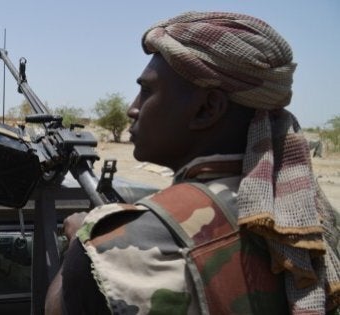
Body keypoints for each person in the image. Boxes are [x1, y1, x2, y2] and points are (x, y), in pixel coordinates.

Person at [45, 11, 340, 314]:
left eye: (147, 91)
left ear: (207, 109)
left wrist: (78, 242)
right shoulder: (310, 218)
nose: (133, 109)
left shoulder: (116, 248)